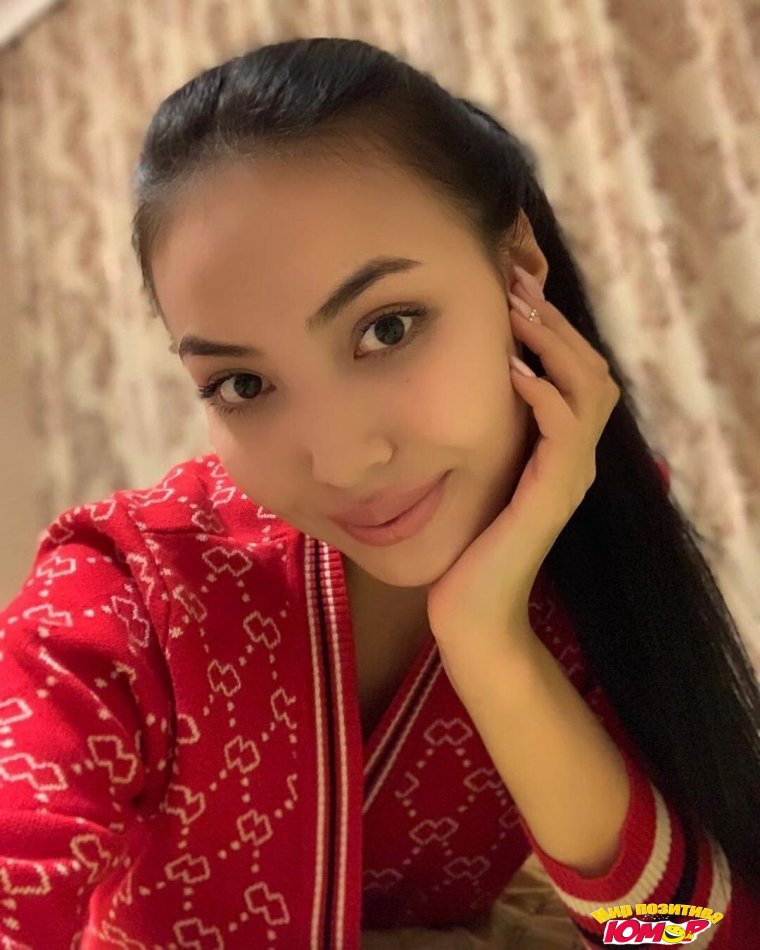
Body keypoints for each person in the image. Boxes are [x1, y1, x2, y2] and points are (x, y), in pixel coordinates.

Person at [1, 36, 758, 949]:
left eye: (387, 328)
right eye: (243, 384)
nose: (343, 461)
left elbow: (685, 936)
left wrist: (490, 642)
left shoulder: (583, 540)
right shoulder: (128, 589)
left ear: (519, 267)